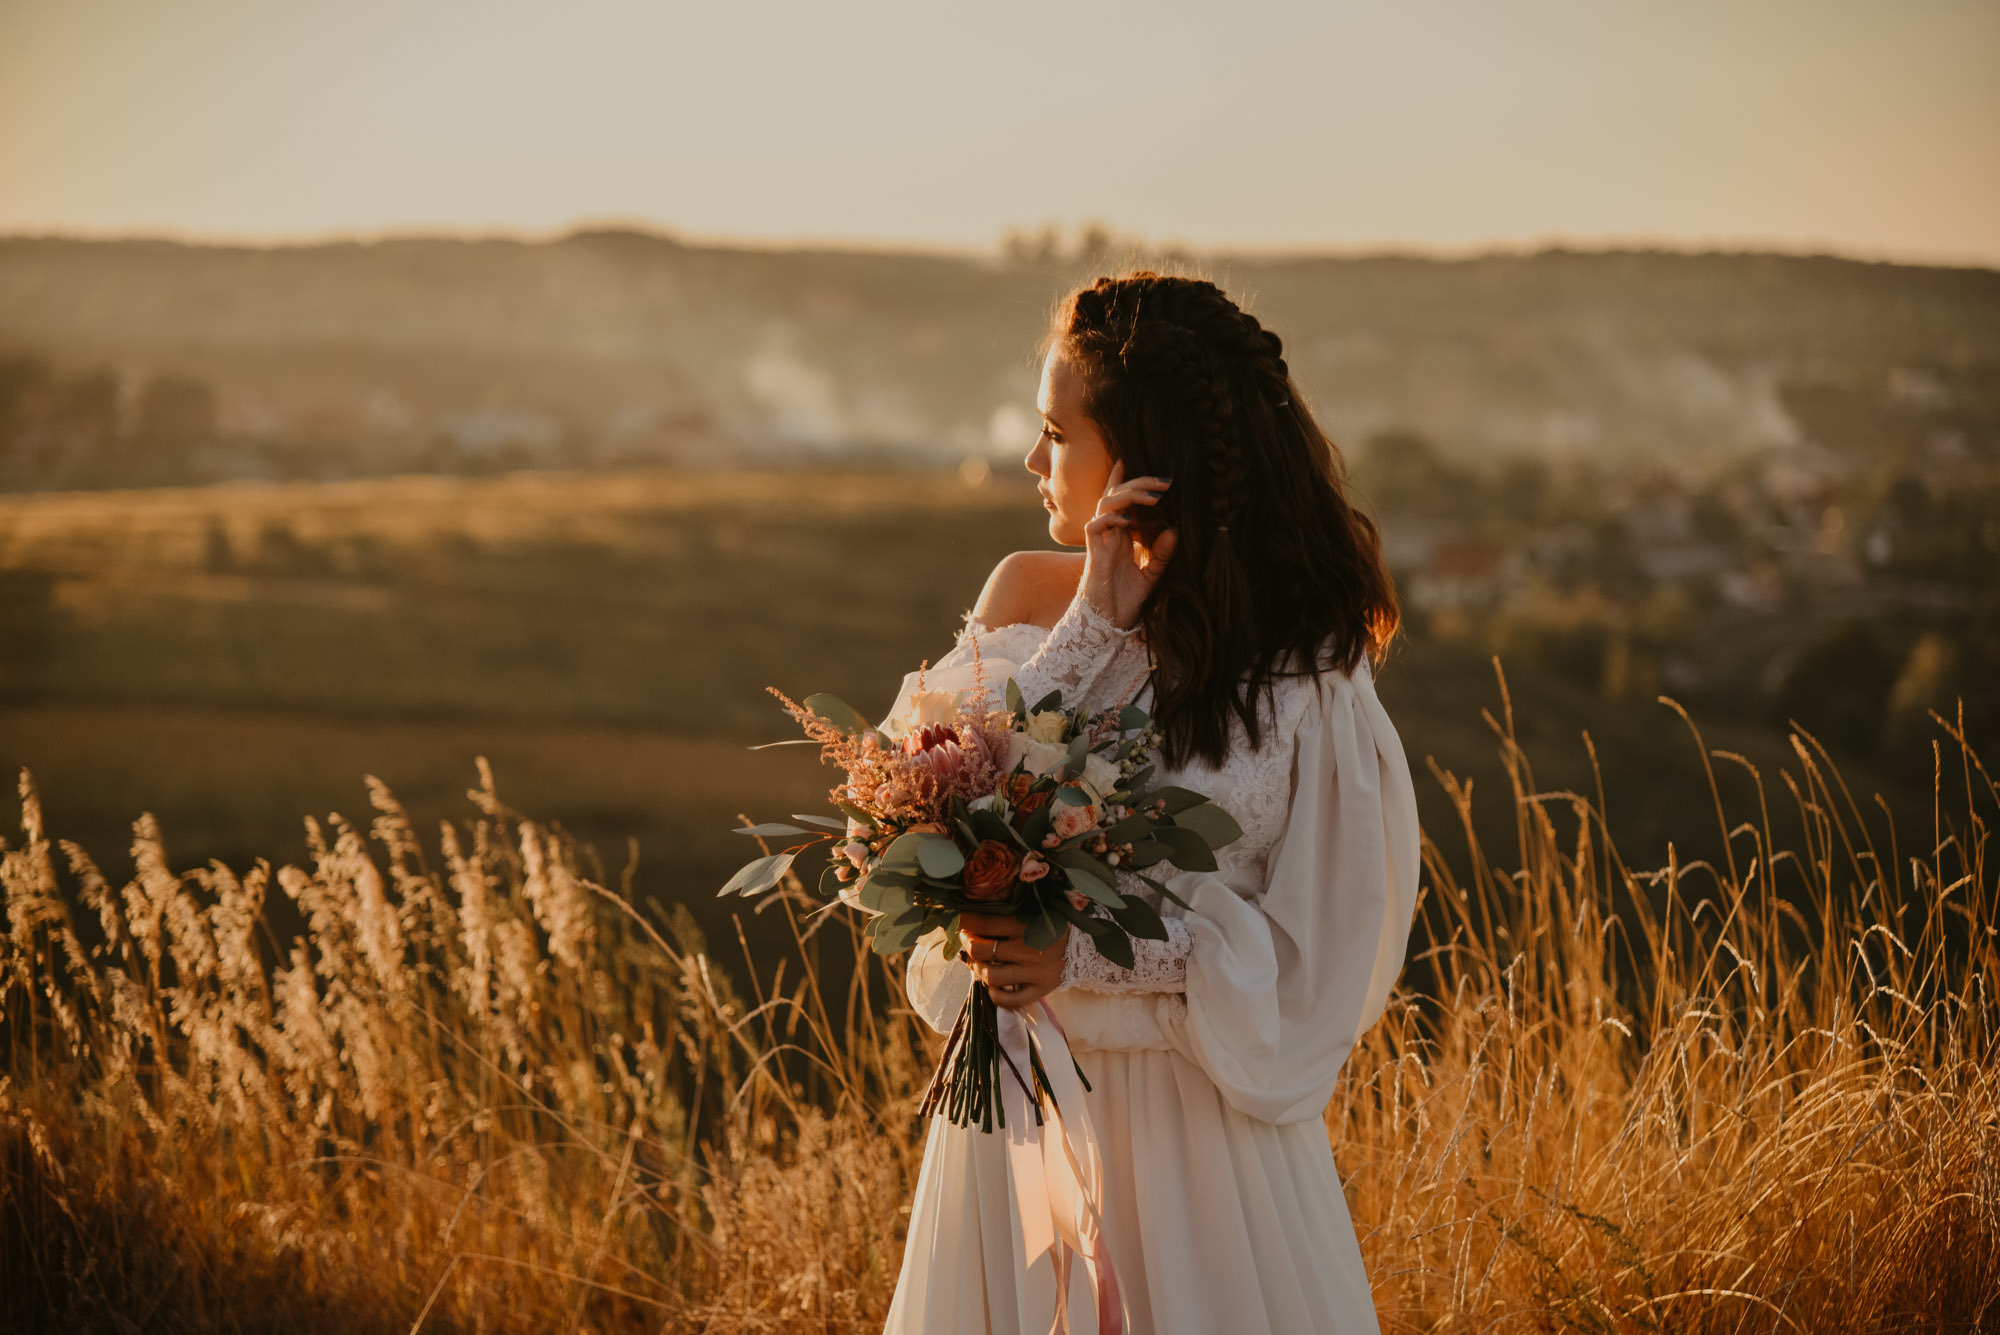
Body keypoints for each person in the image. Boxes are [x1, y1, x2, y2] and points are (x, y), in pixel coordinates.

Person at [879, 272, 1420, 1335]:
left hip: (1200, 1146)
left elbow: (1318, 950)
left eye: (1056, 434)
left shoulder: (1300, 668)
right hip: (1015, 1128)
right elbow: (939, 795)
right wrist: (1091, 620)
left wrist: (1076, 956)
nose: (1035, 462)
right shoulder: (1026, 598)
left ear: (1141, 454)